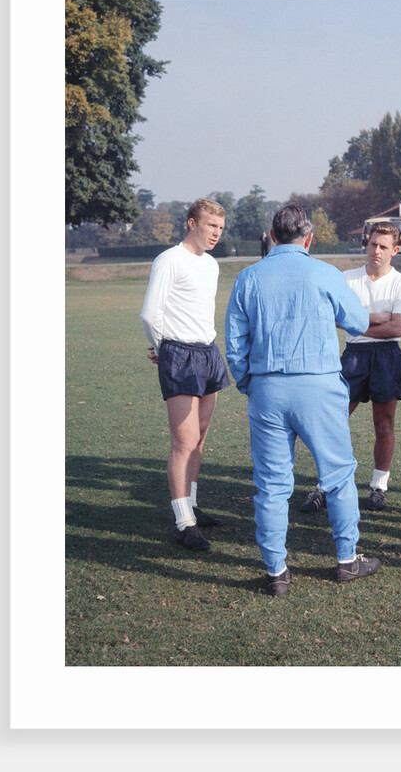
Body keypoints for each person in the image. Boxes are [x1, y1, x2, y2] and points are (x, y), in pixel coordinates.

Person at [223, 205, 381, 596]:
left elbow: (235, 342)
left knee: (272, 484)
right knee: (338, 476)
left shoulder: (248, 277)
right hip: (319, 386)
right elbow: (359, 322)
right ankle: (347, 560)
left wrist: (247, 382)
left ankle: (276, 571)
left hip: (267, 387)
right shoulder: (325, 273)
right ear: (309, 238)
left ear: (271, 235)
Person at [300, 221, 401, 513]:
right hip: (353, 357)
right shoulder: (347, 278)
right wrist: (374, 317)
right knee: (334, 422)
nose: (377, 251)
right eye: (373, 244)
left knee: (384, 425)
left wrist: (355, 320)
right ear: (367, 243)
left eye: (384, 247)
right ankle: (325, 486)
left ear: (395, 250)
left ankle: (379, 487)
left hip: (387, 357)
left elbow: (397, 328)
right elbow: (331, 318)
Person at [140, 198, 231, 552]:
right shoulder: (169, 260)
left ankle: (192, 506)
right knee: (184, 441)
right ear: (192, 223)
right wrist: (163, 347)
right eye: (210, 226)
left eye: (220, 228)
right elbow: (150, 314)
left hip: (208, 353)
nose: (216, 233)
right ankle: (184, 523)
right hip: (180, 354)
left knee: (200, 438)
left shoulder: (211, 265)